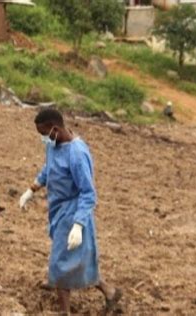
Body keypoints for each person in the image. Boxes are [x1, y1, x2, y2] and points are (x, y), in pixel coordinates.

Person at [19, 109, 121, 314]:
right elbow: (49, 169)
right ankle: (109, 291)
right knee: (76, 259)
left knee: (60, 262)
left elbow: (88, 192)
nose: (43, 139)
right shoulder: (55, 145)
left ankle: (65, 311)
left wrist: (78, 224)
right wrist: (32, 189)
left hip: (73, 213)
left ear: (54, 129)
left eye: (43, 134)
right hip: (58, 210)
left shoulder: (77, 154)